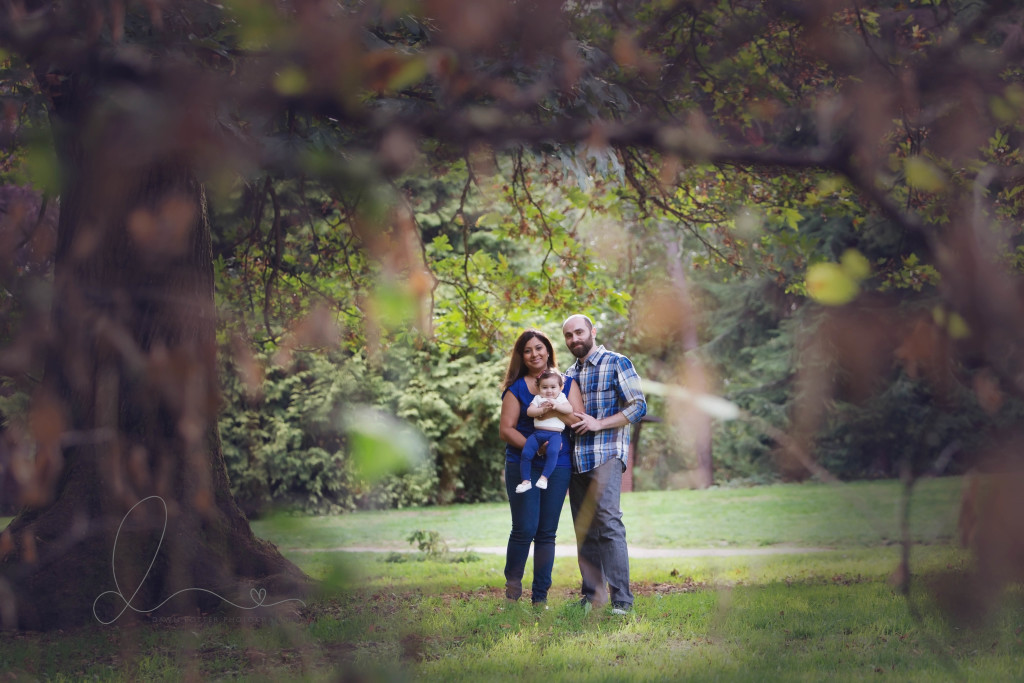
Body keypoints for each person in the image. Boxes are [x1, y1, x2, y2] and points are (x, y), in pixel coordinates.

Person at [562, 313, 647, 615]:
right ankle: (592, 598)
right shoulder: (567, 374)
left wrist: (599, 424)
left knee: (608, 524)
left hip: (607, 454)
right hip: (576, 459)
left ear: (593, 331)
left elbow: (638, 406)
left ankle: (622, 602)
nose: (575, 339)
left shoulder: (616, 362)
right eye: (569, 335)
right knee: (584, 530)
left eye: (579, 332)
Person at [499, 329, 584, 605]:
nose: (534, 354)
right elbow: (506, 429)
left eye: (539, 348)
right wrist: (533, 447)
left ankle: (540, 598)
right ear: (521, 356)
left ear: (548, 350)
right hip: (523, 463)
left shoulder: (567, 384)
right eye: (527, 350)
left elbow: (577, 421)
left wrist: (557, 408)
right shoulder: (516, 389)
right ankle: (513, 591)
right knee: (524, 528)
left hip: (557, 465)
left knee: (547, 532)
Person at [515, 370, 573, 494]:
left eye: (553, 387)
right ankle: (525, 481)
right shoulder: (538, 398)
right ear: (538, 388)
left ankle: (544, 478)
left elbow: (569, 409)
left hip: (555, 435)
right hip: (537, 434)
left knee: (552, 452)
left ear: (560, 388)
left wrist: (557, 406)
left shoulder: (561, 398)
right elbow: (529, 412)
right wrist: (542, 410)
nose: (549, 391)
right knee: (526, 453)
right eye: (544, 387)